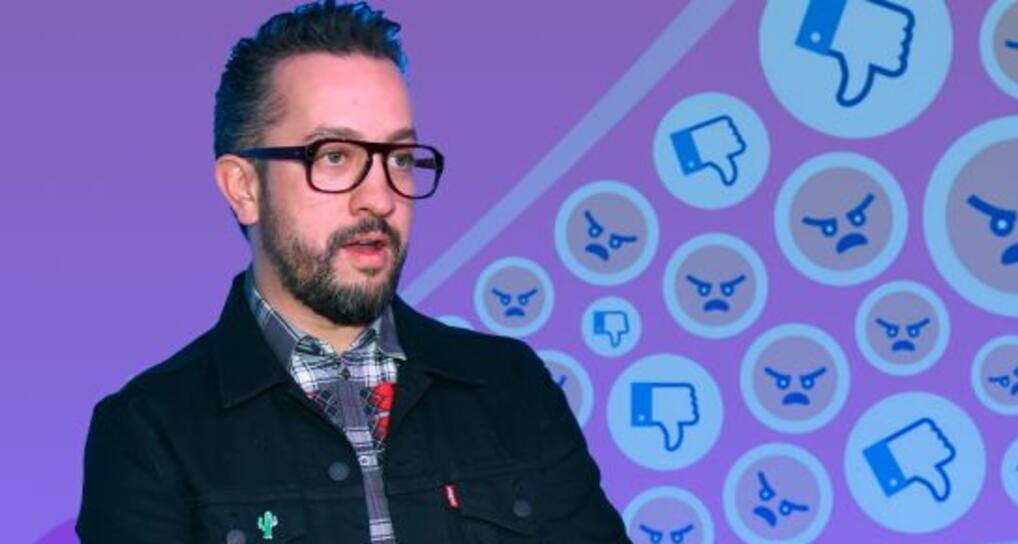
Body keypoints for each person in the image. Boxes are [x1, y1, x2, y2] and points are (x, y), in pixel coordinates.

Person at [75, 1, 629, 542]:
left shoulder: (511, 386)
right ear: (244, 188)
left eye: (400, 159)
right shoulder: (150, 433)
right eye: (335, 156)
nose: (380, 198)